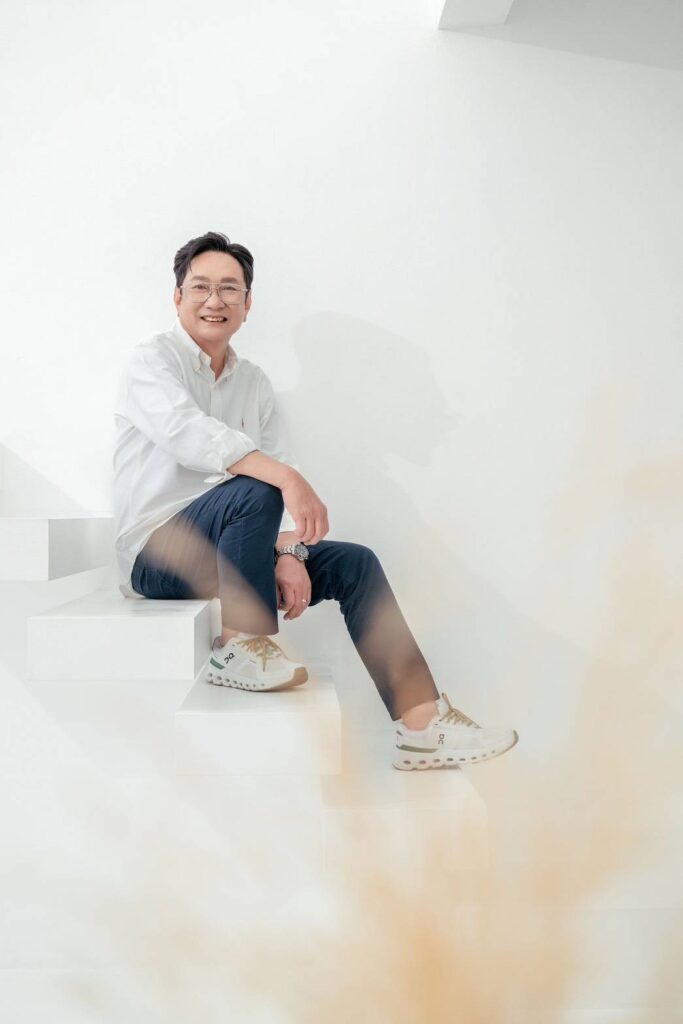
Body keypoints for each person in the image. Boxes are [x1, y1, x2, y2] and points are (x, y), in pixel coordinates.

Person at [112, 231, 518, 770]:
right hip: (156, 556)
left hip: (232, 549)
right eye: (201, 287)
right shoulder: (150, 361)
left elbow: (270, 477)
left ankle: (422, 727)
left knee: (354, 564)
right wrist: (285, 479)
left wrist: (288, 552)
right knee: (258, 480)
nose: (215, 300)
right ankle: (239, 645)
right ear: (177, 297)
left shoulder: (253, 382)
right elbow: (188, 435)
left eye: (230, 289)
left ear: (248, 304)